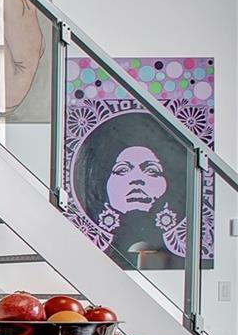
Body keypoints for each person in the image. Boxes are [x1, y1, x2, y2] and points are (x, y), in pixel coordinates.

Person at [70, 111, 199, 269]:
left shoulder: (191, 260)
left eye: (151, 171)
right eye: (122, 170)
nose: (137, 180)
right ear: (102, 182)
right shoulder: (82, 257)